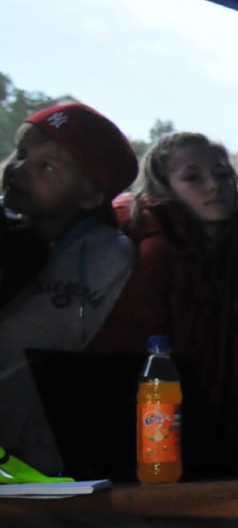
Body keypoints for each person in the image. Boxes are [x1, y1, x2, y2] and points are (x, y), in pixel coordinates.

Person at [91, 131, 238, 475]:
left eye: (221, 174)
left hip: (227, 448)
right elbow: (129, 354)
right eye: (192, 177)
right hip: (159, 447)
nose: (214, 185)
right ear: (163, 187)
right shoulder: (154, 254)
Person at [0, 102, 137, 474]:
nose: (18, 169)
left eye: (46, 166)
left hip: (44, 466)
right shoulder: (9, 234)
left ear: (90, 195)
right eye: (21, 154)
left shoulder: (109, 258)